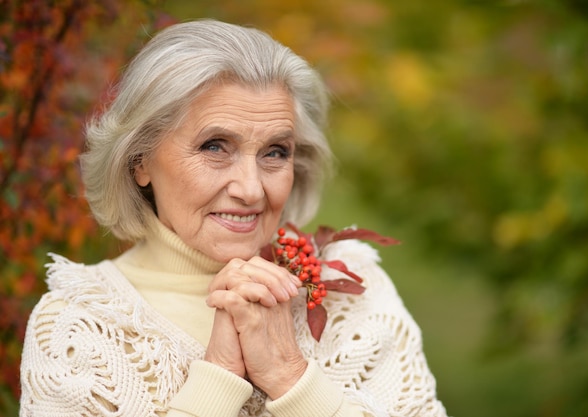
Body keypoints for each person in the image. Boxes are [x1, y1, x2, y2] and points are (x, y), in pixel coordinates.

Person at [19, 19, 448, 417]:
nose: (251, 189)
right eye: (214, 147)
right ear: (140, 161)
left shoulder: (352, 292)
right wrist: (220, 376)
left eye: (275, 152)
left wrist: (290, 377)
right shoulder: (75, 325)